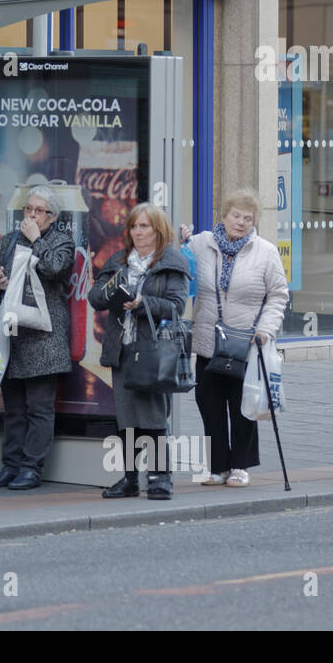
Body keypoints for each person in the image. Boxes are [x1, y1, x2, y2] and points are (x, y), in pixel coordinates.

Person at [184, 190, 288, 488]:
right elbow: (179, 262)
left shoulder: (265, 251)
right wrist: (179, 238)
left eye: (248, 218)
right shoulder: (200, 244)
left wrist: (267, 328)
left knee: (243, 405)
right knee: (209, 404)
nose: (240, 222)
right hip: (208, 341)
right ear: (224, 215)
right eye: (236, 216)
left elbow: (278, 295)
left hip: (246, 341)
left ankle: (240, 465)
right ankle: (217, 467)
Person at [89, 203, 191, 500]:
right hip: (122, 348)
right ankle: (130, 478)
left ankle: (160, 478)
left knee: (153, 416)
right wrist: (114, 293)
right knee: (127, 417)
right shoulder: (119, 260)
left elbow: (176, 306)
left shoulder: (172, 261)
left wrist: (142, 302)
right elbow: (96, 297)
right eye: (134, 226)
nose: (138, 232)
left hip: (153, 349)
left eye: (144, 226)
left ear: (158, 229)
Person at [0, 185, 75, 491]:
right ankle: (10, 465)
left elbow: (55, 268)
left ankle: (32, 467)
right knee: (14, 408)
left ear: (52, 216)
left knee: (39, 408)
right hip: (12, 337)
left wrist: (35, 240)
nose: (31, 215)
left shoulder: (62, 242)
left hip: (44, 339)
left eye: (39, 211)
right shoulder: (9, 240)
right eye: (28, 209)